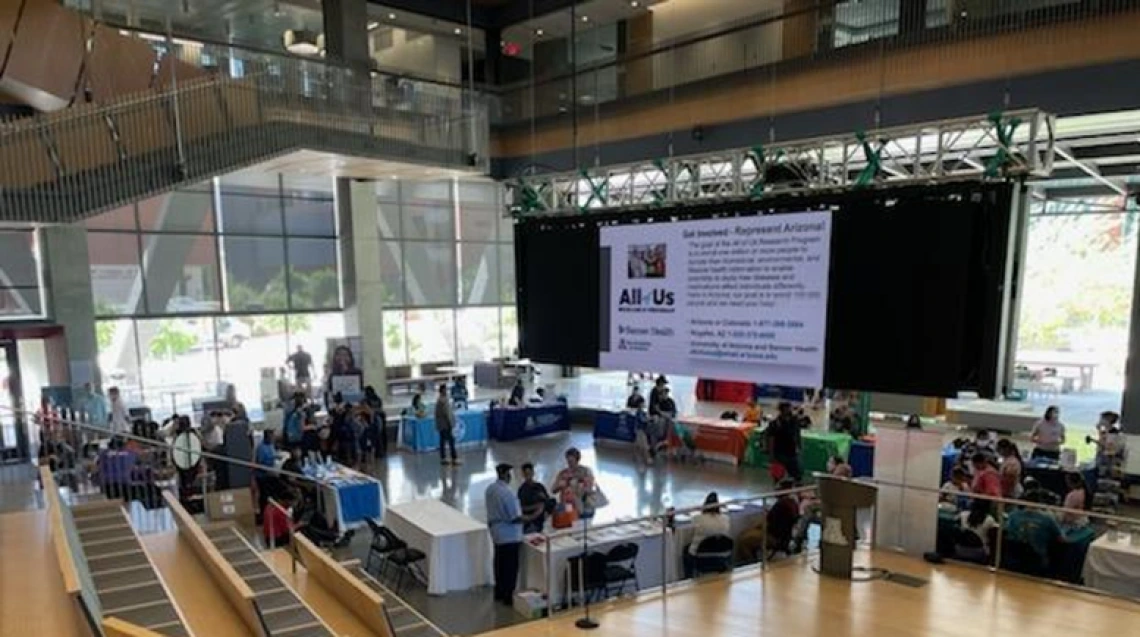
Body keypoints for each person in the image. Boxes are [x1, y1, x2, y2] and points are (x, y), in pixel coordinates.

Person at [485, 463, 523, 606]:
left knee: (499, 564)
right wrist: (533, 515)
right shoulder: (507, 493)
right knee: (510, 567)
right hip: (510, 535)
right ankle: (508, 596)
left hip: (496, 533)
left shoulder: (490, 489)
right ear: (507, 475)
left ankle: (499, 592)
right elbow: (515, 517)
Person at [1005, 491, 1066, 571]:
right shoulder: (1047, 518)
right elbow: (1062, 539)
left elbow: (1006, 532)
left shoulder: (1013, 515)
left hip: (1014, 559)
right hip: (1037, 561)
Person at [684, 492, 731, 577]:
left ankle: (688, 577)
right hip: (722, 556)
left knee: (686, 550)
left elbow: (693, 521)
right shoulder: (725, 519)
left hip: (702, 556)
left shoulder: (698, 519)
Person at [552, 447, 597, 516]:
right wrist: (562, 484)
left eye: (571, 461)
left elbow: (589, 489)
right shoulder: (562, 473)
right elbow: (553, 490)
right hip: (567, 504)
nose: (569, 464)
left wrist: (580, 480)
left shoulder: (586, 471)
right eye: (568, 461)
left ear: (577, 460)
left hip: (582, 504)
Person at [767, 402, 803, 482]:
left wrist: (799, 447)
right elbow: (771, 439)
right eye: (788, 408)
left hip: (791, 452)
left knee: (797, 476)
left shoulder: (794, 421)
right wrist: (771, 455)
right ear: (782, 410)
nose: (790, 410)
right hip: (779, 453)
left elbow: (797, 434)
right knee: (778, 476)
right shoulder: (775, 423)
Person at [956, 498, 998, 563]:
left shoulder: (962, 515)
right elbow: (993, 542)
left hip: (960, 550)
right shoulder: (990, 520)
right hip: (978, 553)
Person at [517, 463, 551, 534]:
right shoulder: (522, 490)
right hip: (530, 523)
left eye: (529, 473)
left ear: (533, 473)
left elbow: (548, 501)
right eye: (526, 474)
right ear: (523, 475)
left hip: (543, 522)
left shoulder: (539, 486)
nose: (528, 476)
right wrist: (536, 507)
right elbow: (522, 508)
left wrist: (544, 500)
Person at [435, 384, 459, 466]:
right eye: (446, 389)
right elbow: (447, 413)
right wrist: (451, 423)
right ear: (443, 390)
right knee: (451, 441)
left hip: (441, 424)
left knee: (442, 441)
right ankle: (454, 458)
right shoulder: (443, 401)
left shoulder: (439, 400)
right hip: (445, 424)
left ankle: (443, 458)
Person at [362, 386, 386, 456]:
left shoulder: (366, 400)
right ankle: (381, 451)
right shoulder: (378, 398)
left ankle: (375, 452)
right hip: (381, 417)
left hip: (372, 418)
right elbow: (380, 407)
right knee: (381, 435)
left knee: (373, 437)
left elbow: (368, 410)